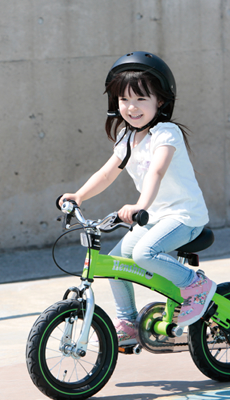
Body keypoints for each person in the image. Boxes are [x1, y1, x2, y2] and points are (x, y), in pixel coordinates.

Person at [59, 51, 216, 346]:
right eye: (124, 99)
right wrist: (78, 196)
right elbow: (106, 174)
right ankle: (128, 324)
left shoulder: (166, 134)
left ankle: (196, 285)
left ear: (160, 101)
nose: (131, 107)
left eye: (141, 99)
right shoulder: (127, 138)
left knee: (144, 253)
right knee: (116, 261)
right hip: (154, 218)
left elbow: (156, 171)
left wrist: (140, 205)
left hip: (184, 217)